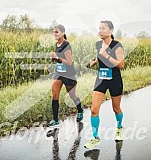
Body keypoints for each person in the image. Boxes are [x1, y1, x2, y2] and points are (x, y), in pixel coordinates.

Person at [84, 20, 125, 149]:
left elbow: (121, 65)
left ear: (111, 31)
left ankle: (119, 127)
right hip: (101, 78)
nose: (100, 31)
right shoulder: (98, 44)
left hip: (115, 80)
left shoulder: (117, 45)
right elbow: (99, 56)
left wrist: (106, 55)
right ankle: (95, 137)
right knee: (94, 109)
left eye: (103, 28)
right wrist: (94, 62)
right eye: (99, 28)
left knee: (116, 108)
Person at [47, 24, 83, 127]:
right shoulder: (56, 45)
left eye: (57, 32)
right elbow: (58, 60)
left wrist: (57, 57)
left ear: (63, 33)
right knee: (54, 95)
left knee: (72, 95)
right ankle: (55, 120)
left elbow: (69, 62)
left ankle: (80, 110)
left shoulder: (66, 45)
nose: (55, 33)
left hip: (68, 74)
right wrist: (53, 58)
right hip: (58, 73)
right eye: (54, 32)